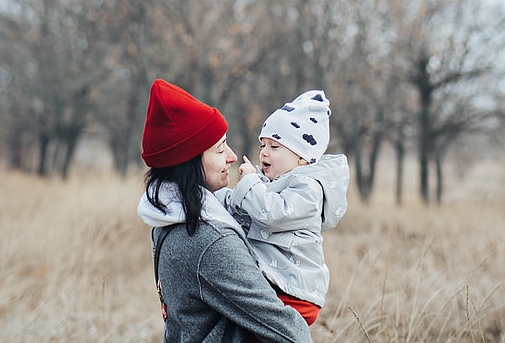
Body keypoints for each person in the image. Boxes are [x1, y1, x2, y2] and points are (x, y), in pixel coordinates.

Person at [136, 78, 313, 343]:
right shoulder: (209, 240)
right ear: (189, 161)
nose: (232, 156)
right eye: (220, 150)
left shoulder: (165, 222)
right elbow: (289, 333)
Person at [218, 90, 349, 326]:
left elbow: (273, 214)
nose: (264, 152)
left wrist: (250, 182)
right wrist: (211, 196)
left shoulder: (308, 188)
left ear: (302, 158)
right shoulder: (270, 184)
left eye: (275, 146)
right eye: (263, 144)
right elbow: (241, 209)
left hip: (296, 292)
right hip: (276, 284)